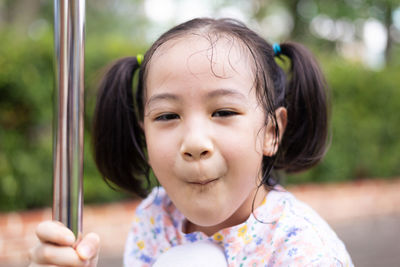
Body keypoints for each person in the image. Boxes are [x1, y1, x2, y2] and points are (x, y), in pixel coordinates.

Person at [29, 18, 353, 266]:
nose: (194, 142)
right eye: (167, 116)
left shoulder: (304, 249)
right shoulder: (155, 218)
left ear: (271, 131)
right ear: (144, 132)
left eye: (223, 111)